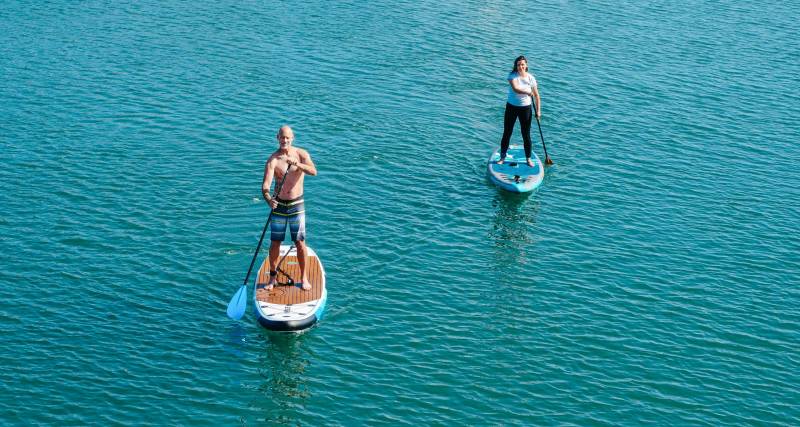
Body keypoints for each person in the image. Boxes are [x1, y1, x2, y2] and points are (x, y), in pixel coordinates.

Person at [261, 125, 317, 291]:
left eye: (287, 138)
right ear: (277, 137)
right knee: (275, 242)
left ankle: (304, 277)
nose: (284, 140)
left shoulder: (301, 154)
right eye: (281, 137)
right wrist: (268, 199)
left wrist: (299, 165)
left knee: (299, 242)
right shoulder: (273, 160)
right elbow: (265, 185)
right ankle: (272, 278)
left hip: (296, 204)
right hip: (279, 205)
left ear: (292, 138)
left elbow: (314, 171)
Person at [498, 55, 541, 167]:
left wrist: (538, 111)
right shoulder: (512, 76)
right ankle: (502, 157)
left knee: (526, 134)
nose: (520, 66)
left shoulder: (531, 78)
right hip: (511, 107)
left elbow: (536, 95)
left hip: (526, 108)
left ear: (526, 65)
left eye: (522, 64)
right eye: (518, 65)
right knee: (507, 132)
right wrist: (527, 92)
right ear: (516, 66)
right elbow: (516, 89)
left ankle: (528, 158)